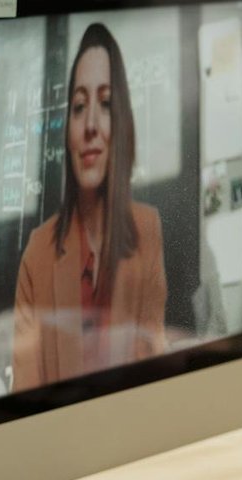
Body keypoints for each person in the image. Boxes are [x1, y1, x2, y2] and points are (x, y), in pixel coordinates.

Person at [13, 22, 168, 390]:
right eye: (80, 107)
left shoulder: (148, 229)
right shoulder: (38, 252)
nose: (91, 126)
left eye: (106, 104)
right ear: (67, 130)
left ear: (123, 123)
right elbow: (23, 399)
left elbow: (152, 373)